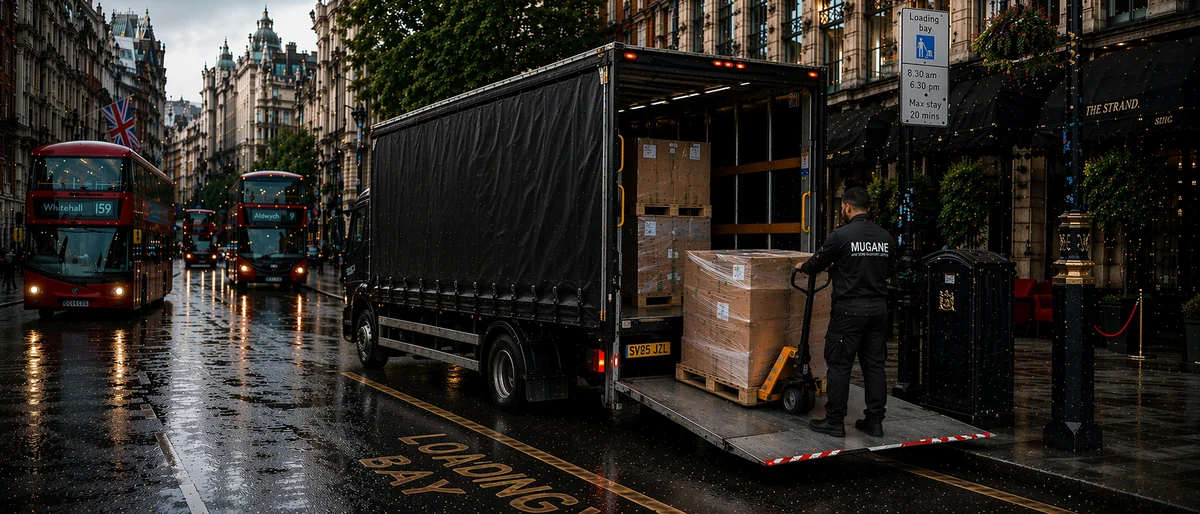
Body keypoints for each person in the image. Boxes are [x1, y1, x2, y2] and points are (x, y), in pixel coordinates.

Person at [797, 187, 894, 438]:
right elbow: (886, 270)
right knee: (874, 366)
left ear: (848, 207)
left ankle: (834, 421)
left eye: (842, 206)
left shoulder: (840, 236)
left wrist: (803, 266)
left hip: (849, 312)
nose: (842, 210)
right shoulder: (885, 237)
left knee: (839, 365)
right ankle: (875, 421)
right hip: (878, 311)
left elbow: (815, 264)